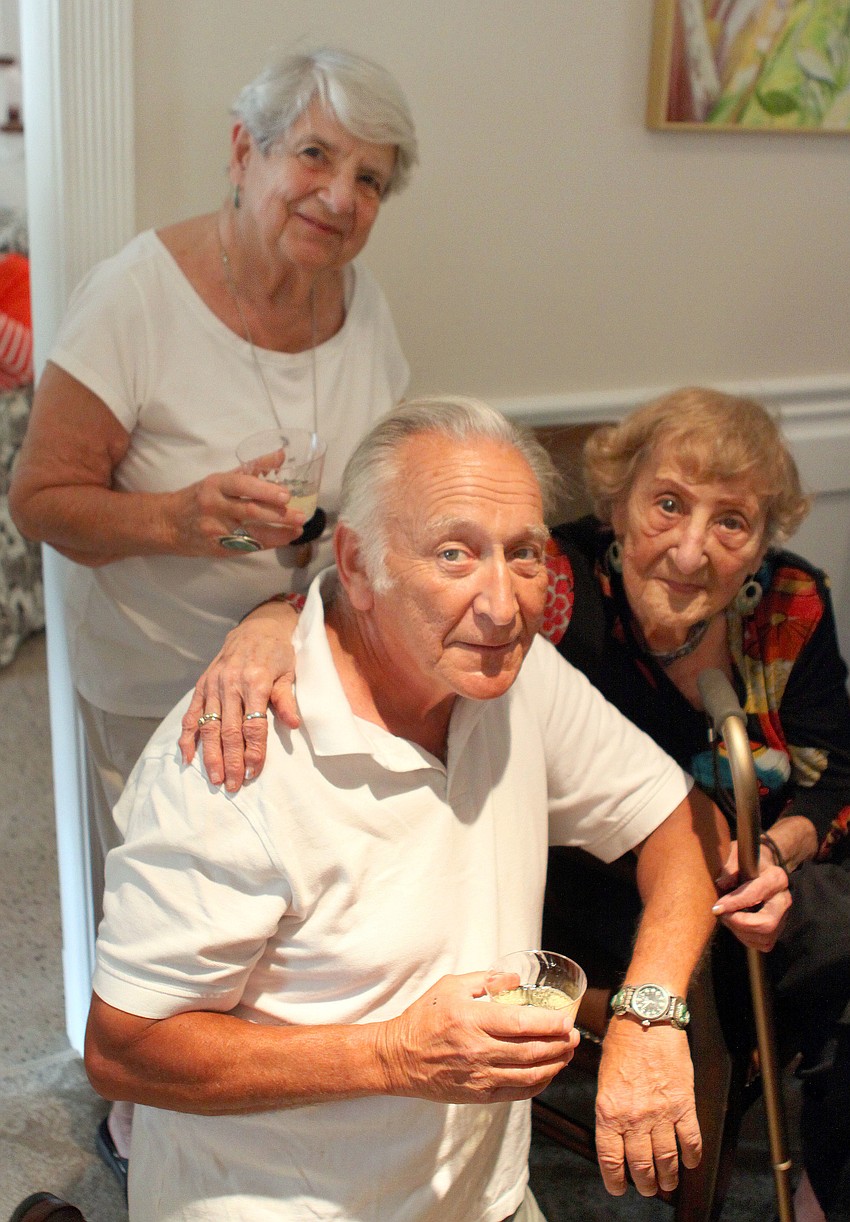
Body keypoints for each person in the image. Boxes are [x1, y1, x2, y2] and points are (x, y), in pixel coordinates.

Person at [84, 397, 730, 1220]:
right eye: (454, 554)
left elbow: (673, 821)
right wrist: (393, 1055)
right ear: (354, 563)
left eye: (524, 555)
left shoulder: (515, 677)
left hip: (483, 1197)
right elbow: (121, 1049)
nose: (502, 606)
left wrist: (650, 1009)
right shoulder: (234, 753)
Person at [8, 45, 416, 1187]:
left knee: (272, 911)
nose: (340, 197)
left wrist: (303, 581)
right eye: (316, 156)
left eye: (371, 179)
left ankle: (251, 1120)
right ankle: (148, 1122)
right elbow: (40, 499)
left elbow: (373, 482)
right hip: (147, 671)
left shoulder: (360, 303)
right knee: (163, 912)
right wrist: (179, 519)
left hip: (297, 652)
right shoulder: (137, 295)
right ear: (245, 152)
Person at [539, 387, 850, 1222]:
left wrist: (774, 856)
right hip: (601, 883)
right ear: (615, 505)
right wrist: (274, 625)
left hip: (763, 869)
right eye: (668, 505)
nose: (689, 548)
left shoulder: (789, 603)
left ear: (759, 546)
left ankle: (825, 1180)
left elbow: (835, 772)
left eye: (731, 522)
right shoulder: (555, 584)